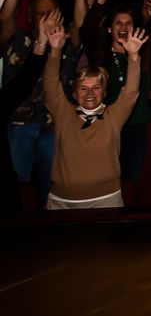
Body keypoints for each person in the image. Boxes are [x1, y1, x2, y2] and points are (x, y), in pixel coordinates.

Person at [41, 20, 144, 210]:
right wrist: (55, 52)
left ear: (104, 93)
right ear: (74, 93)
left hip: (107, 199)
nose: (90, 93)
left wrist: (134, 56)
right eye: (83, 88)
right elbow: (50, 86)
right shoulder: (63, 113)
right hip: (62, 201)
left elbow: (130, 92)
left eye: (96, 88)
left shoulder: (114, 115)